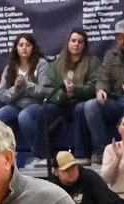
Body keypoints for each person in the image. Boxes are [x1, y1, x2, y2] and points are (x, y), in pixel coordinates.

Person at [84, 19, 124, 164]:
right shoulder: (111, 54)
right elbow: (103, 76)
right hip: (117, 99)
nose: (122, 41)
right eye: (119, 38)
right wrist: (101, 89)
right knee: (90, 106)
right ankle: (103, 152)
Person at [41, 29, 101, 162]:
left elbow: (93, 87)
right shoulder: (58, 63)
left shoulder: (92, 61)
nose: (76, 44)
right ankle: (42, 155)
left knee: (81, 108)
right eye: (73, 41)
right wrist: (62, 93)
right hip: (62, 102)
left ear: (84, 45)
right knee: (44, 110)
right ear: (68, 43)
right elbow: (49, 87)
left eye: (80, 42)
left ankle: (81, 154)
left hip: (81, 101)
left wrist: (75, 89)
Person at [0, 34, 50, 164]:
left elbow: (45, 91)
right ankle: (4, 154)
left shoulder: (41, 64)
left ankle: (40, 154)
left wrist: (27, 85)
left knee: (24, 116)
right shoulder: (10, 67)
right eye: (21, 45)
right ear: (16, 48)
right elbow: (0, 95)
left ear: (33, 48)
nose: (24, 48)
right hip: (16, 104)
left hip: (36, 104)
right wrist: (16, 88)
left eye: (28, 45)